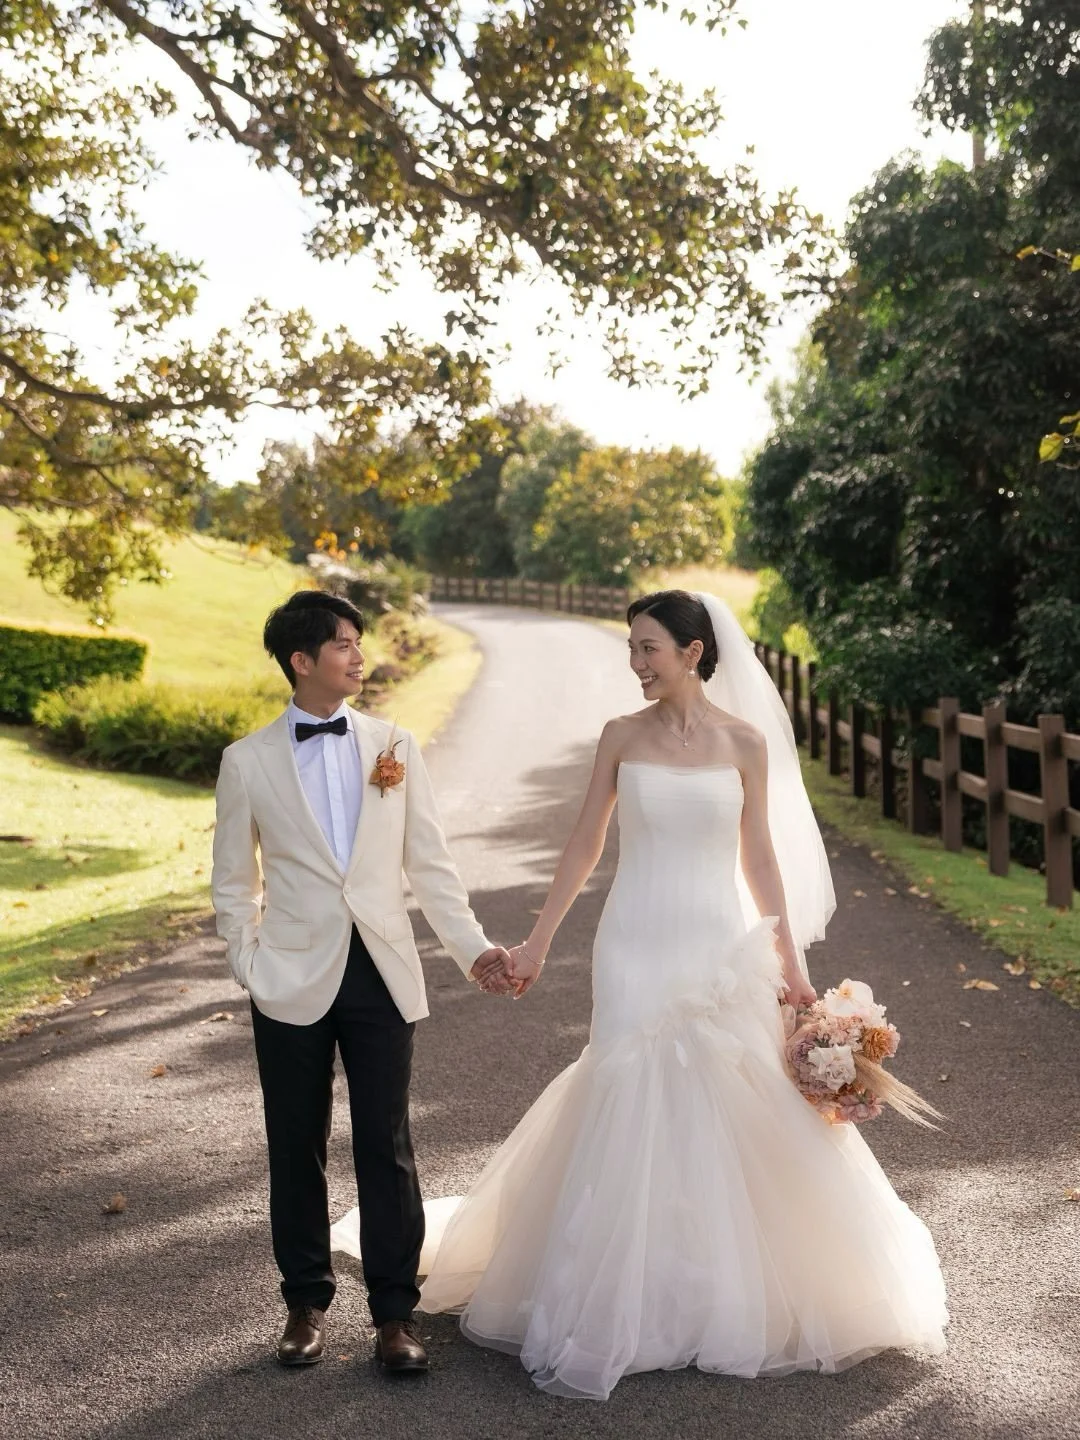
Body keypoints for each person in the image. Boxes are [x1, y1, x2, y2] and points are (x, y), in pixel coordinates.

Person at [409, 589, 948, 1400]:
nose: (635, 663)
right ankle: (618, 1293)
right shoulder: (621, 738)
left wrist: (792, 966)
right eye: (631, 648)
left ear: (694, 653)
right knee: (628, 1089)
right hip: (633, 942)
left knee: (733, 1097)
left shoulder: (745, 742)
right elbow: (586, 842)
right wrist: (536, 943)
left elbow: (760, 857)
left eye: (649, 649)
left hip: (718, 940)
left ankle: (716, 1293)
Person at [211, 590, 514, 1375]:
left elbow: (431, 865)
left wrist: (473, 949)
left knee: (387, 1143)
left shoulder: (393, 745)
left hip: (379, 970)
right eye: (341, 643)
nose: (357, 653)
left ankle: (394, 1316)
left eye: (357, 640)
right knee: (294, 1144)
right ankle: (305, 1304)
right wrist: (251, 962)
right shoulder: (246, 762)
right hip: (288, 977)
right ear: (301, 661)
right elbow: (230, 884)